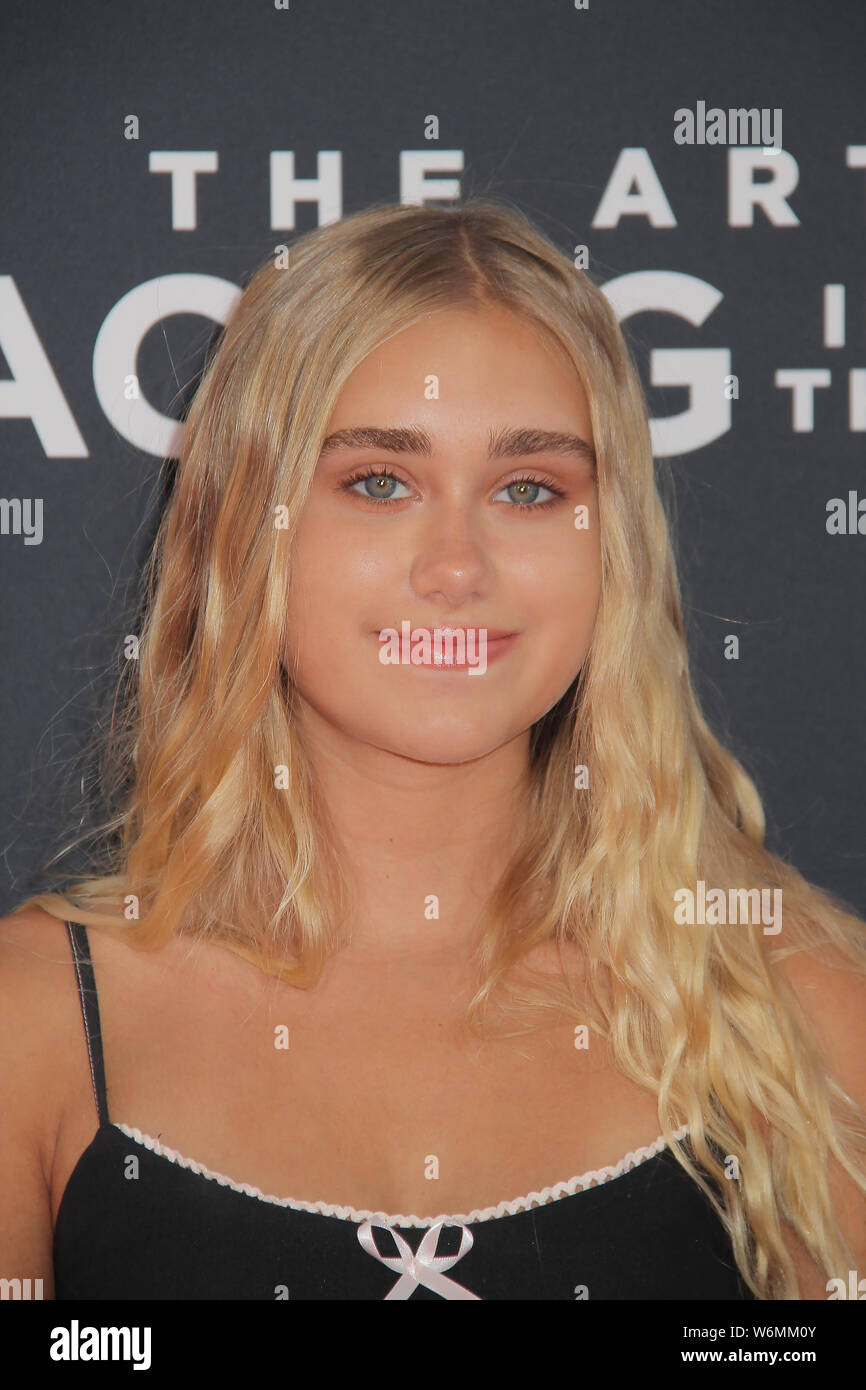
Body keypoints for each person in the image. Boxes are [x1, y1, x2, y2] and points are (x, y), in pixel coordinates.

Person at [1, 199, 864, 1301]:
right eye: (377, 481)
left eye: (527, 489)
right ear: (238, 525)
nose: (455, 565)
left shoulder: (800, 1008)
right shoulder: (29, 1025)